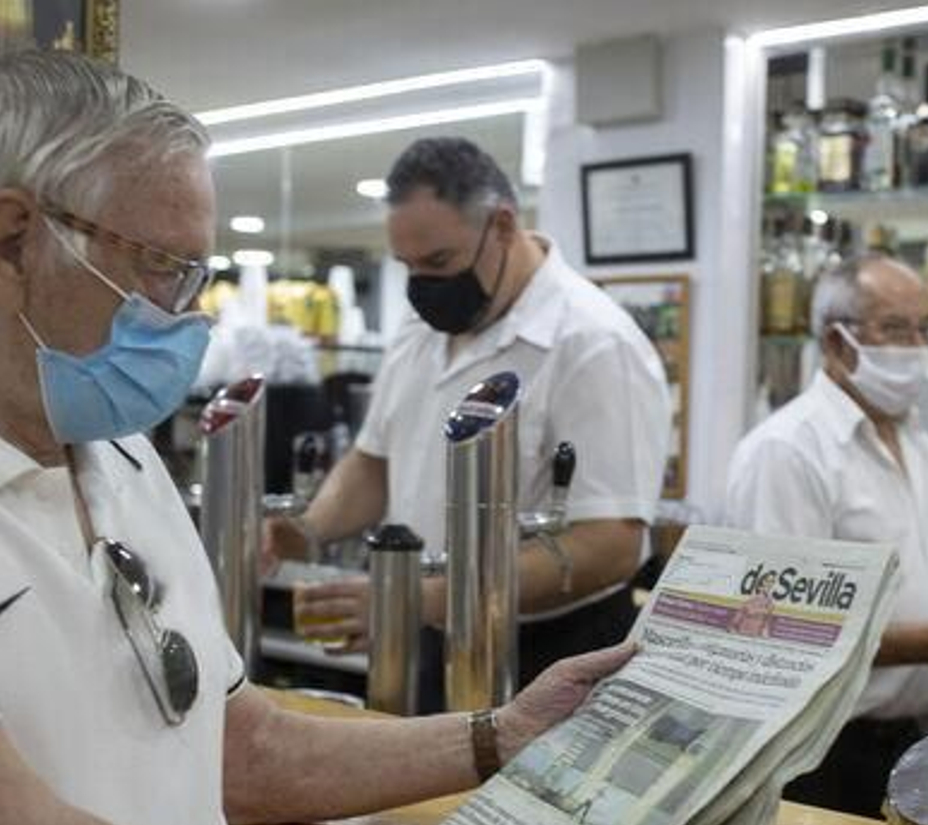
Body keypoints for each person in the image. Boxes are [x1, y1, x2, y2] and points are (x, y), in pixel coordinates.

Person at [0, 51, 649, 825]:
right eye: (164, 269)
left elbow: (237, 749)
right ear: (10, 245)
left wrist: (502, 734)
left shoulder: (108, 445)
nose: (187, 317)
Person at [268, 138, 671, 707]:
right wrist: (303, 532)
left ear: (503, 226)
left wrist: (422, 598)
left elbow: (612, 545)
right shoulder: (419, 328)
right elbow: (374, 461)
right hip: (434, 640)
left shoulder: (593, 344)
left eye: (439, 263)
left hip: (547, 656)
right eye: (408, 267)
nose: (425, 286)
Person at [724, 255, 928, 818]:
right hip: (811, 756)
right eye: (896, 329)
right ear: (836, 343)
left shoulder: (921, 445)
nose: (917, 347)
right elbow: (782, 632)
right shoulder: (787, 451)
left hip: (903, 740)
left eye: (926, 328)